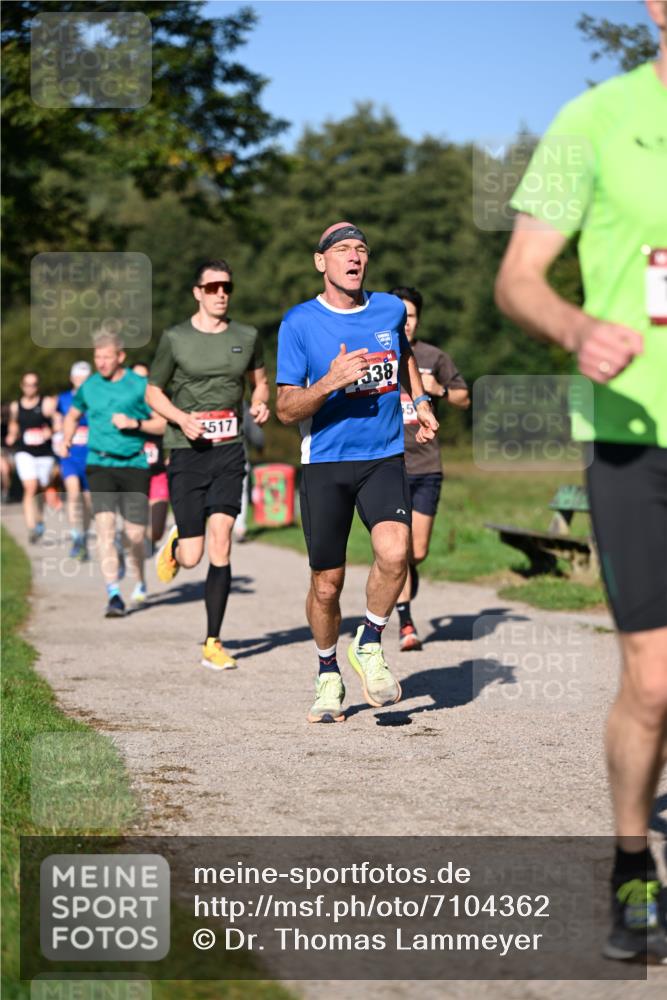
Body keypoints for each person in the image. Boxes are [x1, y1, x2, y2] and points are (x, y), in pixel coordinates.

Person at [495, 0, 667, 962]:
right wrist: (571, 329)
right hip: (634, 439)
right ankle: (630, 864)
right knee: (654, 679)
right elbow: (518, 276)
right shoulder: (589, 121)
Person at [276, 222, 439, 724]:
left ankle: (369, 642)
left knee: (397, 553)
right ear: (320, 262)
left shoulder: (388, 308)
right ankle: (328, 672)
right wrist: (330, 381)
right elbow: (285, 408)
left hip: (384, 456)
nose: (354, 257)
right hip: (325, 461)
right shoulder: (299, 323)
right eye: (342, 249)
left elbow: (403, 353)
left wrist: (419, 399)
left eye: (361, 249)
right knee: (327, 582)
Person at [146, 258, 270, 671]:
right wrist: (181, 419)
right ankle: (179, 543)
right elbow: (152, 392)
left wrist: (259, 401)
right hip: (186, 450)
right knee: (194, 556)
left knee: (222, 543)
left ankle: (212, 641)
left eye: (226, 288)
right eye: (212, 287)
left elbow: (260, 380)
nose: (221, 294)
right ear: (197, 292)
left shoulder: (246, 335)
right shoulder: (175, 338)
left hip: (229, 450)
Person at [389, 287, 470, 651]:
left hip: (427, 466)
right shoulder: (377, 353)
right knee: (399, 546)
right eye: (400, 316)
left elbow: (464, 398)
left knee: (416, 552)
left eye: (412, 316)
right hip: (389, 464)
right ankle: (406, 623)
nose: (406, 323)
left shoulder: (433, 356)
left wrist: (437, 389)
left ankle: (406, 576)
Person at [62, 330, 163, 617]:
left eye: (107, 357)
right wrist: (67, 436)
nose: (101, 362)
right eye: (97, 357)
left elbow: (162, 423)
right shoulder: (90, 386)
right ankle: (114, 595)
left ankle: (141, 580)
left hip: (134, 463)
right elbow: (71, 414)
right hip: (100, 463)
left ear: (121, 357)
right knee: (105, 529)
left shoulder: (140, 385)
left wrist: (135, 423)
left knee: (134, 535)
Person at [5, 371, 56, 543]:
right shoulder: (15, 406)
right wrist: (12, 435)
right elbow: (14, 424)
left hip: (44, 453)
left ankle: (39, 520)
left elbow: (58, 422)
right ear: (22, 386)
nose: (30, 388)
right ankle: (31, 527)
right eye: (27, 384)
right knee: (30, 487)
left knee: (40, 487)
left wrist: (52, 430)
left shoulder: (46, 403)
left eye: (33, 384)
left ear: (38, 386)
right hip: (24, 451)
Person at [53, 361, 93, 561]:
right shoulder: (63, 399)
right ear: (71, 378)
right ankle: (75, 535)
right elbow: (57, 422)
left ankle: (83, 536)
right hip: (70, 455)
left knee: (88, 503)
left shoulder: (96, 398)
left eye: (85, 378)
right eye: (78, 377)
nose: (81, 381)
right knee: (73, 493)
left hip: (91, 455)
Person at [132, 362, 169, 554]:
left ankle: (150, 538)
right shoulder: (122, 402)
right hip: (131, 471)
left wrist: (136, 423)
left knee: (157, 529)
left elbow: (166, 424)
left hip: (157, 470)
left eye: (144, 377)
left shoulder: (158, 402)